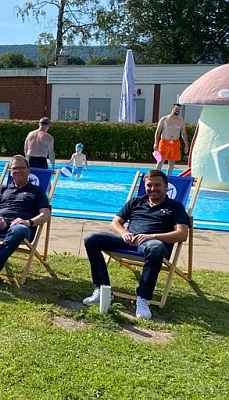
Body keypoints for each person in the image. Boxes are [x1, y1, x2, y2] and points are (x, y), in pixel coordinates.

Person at [81, 170, 189, 319]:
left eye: (157, 185)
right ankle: (102, 289)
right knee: (91, 239)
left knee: (155, 247)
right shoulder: (136, 201)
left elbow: (182, 234)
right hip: (128, 240)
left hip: (151, 244)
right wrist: (124, 234)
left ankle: (143, 298)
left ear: (166, 187)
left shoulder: (175, 207)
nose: (152, 188)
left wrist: (151, 236)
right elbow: (115, 223)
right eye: (149, 185)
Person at [0, 155, 51, 285]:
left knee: (18, 229)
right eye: (14, 168)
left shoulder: (37, 191)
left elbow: (45, 215)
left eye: (21, 168)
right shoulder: (3, 189)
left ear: (28, 170)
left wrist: (28, 222)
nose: (17, 171)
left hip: (22, 228)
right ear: (11, 172)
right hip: (0, 224)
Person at [154, 103, 190, 176]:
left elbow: (183, 133)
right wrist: (156, 143)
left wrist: (186, 145)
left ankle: (168, 177)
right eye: (176, 109)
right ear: (173, 108)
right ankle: (156, 176)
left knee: (172, 162)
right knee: (160, 161)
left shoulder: (181, 120)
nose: (177, 111)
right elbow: (158, 132)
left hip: (175, 142)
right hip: (164, 141)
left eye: (179, 110)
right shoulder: (164, 119)